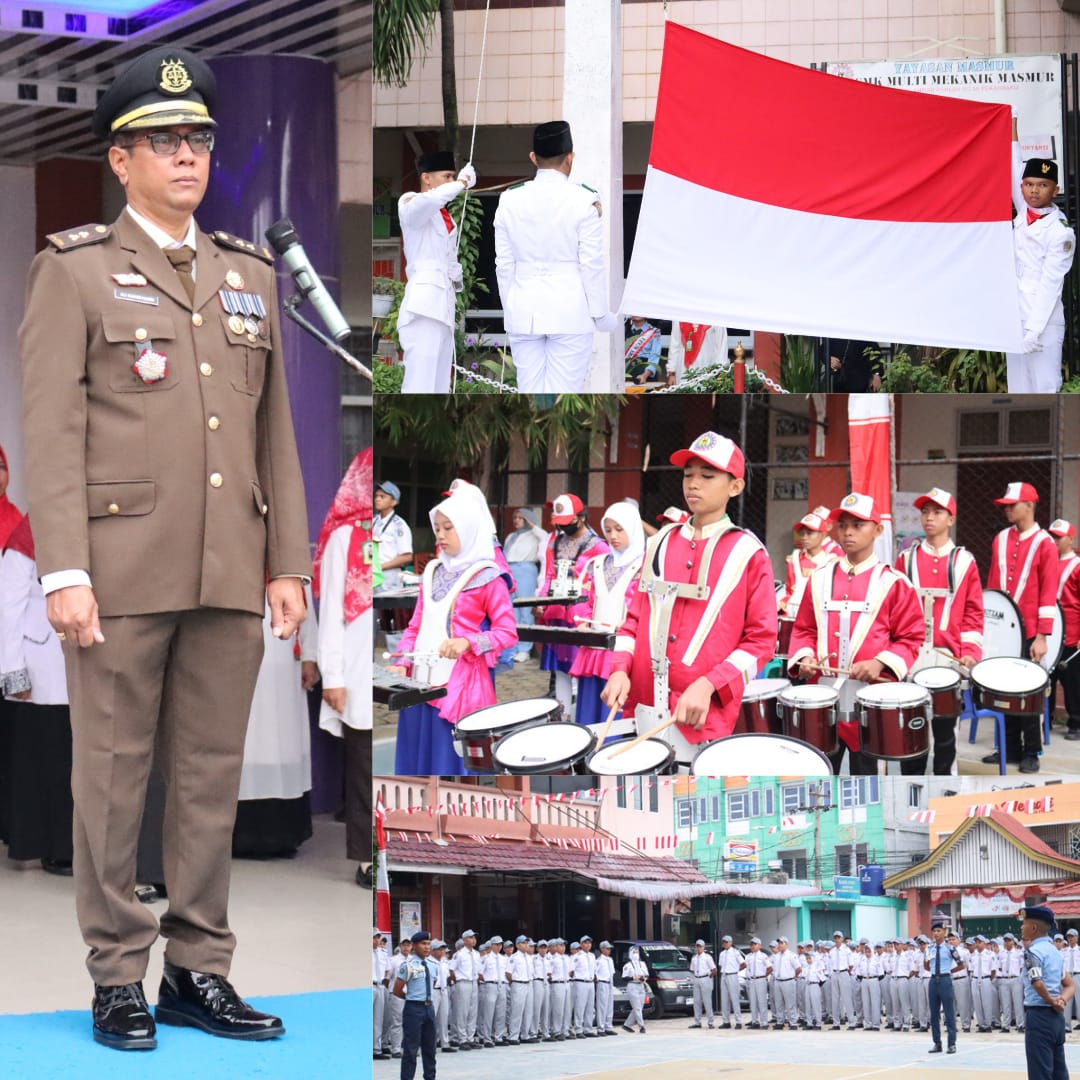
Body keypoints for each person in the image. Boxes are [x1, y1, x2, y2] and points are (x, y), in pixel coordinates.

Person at [18, 46, 310, 1051]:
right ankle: (116, 976)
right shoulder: (75, 269)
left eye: (199, 140)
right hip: (119, 570)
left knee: (207, 779)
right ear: (120, 158)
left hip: (228, 566)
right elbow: (50, 430)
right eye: (164, 141)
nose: (187, 155)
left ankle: (198, 968)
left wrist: (288, 562)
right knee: (110, 775)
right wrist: (65, 568)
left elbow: (275, 429)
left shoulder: (248, 275)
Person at [602, 432, 778, 763]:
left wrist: (710, 684)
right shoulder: (659, 544)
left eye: (707, 476)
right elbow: (634, 620)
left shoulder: (749, 553)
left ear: (735, 487)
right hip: (642, 706)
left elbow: (762, 641)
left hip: (701, 716)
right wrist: (619, 669)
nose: (693, 483)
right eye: (688, 475)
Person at [788, 493, 924, 775]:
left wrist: (880, 664)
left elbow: (911, 638)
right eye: (843, 524)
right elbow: (804, 629)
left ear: (877, 530)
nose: (848, 531)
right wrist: (804, 658)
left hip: (870, 705)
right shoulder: (819, 578)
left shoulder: (894, 583)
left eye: (858, 525)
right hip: (821, 705)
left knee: (866, 783)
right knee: (819, 780)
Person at [388, 489, 517, 774]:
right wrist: (402, 663)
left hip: (460, 686)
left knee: (450, 765)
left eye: (448, 528)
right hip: (420, 679)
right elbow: (415, 625)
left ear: (469, 529)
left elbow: (508, 632)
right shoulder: (433, 571)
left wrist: (468, 642)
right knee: (415, 764)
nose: (440, 535)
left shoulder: (489, 576)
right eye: (437, 528)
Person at [494, 120, 616, 392]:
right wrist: (599, 314)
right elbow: (591, 264)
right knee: (561, 398)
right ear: (570, 157)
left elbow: (503, 265)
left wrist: (510, 307)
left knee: (531, 395)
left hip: (523, 310)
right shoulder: (584, 199)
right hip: (570, 311)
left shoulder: (509, 199)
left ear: (533, 158)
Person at [0, 515, 73, 874]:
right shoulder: (26, 534)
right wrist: (13, 674)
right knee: (47, 760)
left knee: (75, 760)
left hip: (82, 663)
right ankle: (52, 848)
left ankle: (74, 846)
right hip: (40, 666)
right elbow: (7, 607)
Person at [314, 449, 373, 884]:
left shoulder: (391, 539)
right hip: (353, 671)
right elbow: (332, 607)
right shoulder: (345, 538)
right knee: (363, 772)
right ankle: (366, 857)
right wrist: (331, 676)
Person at [896, 487, 984, 775]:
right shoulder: (905, 559)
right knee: (912, 731)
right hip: (911, 655)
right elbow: (894, 610)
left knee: (946, 733)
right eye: (925, 512)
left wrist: (970, 651)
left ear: (951, 519)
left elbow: (973, 611)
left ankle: (945, 789)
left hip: (948, 657)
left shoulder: (964, 560)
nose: (929, 517)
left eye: (937, 512)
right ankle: (912, 792)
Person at [985, 482, 1058, 772]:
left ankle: (1032, 751)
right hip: (1003, 632)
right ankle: (1009, 748)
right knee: (1003, 692)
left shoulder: (1046, 544)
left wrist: (1042, 636)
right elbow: (992, 583)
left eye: (1012, 504)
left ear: (1029, 505)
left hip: (1029, 632)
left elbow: (1048, 592)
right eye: (1005, 504)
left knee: (1028, 694)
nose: (1007, 509)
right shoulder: (1000, 539)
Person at [397, 151, 477, 394]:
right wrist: (461, 183)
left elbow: (447, 257)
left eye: (452, 175)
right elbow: (430, 201)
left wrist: (457, 276)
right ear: (427, 178)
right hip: (423, 307)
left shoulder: (444, 216)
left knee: (440, 384)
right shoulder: (410, 202)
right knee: (420, 383)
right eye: (446, 176)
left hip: (442, 305)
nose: (451, 180)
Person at [1007, 122, 1075, 394]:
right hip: (1015, 318)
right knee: (1018, 391)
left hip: (1043, 323)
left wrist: (1034, 331)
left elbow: (1051, 284)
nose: (1034, 190)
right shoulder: (1023, 211)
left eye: (1042, 185)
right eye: (1029, 184)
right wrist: (1012, 124)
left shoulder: (1061, 233)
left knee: (1045, 389)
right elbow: (1014, 168)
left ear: (1054, 191)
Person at [569, 502, 645, 728]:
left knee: (615, 714)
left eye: (619, 529)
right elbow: (585, 598)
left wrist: (629, 624)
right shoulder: (598, 563)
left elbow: (644, 606)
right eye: (608, 530)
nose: (613, 536)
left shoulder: (645, 565)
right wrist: (581, 620)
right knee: (589, 709)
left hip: (623, 648)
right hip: (594, 646)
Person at [537, 494, 610, 713]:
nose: (562, 527)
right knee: (559, 668)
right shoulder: (557, 542)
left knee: (578, 667)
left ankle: (578, 717)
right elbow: (550, 574)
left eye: (566, 521)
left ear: (580, 518)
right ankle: (562, 714)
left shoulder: (598, 546)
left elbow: (603, 580)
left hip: (581, 615)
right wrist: (541, 600)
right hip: (556, 611)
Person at [1019, 904, 1075, 1080]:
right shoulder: (1055, 952)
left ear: (1033, 928)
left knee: (1040, 1072)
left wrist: (1051, 1000)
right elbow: (1070, 985)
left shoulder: (1032, 952)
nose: (1021, 927)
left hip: (1039, 1015)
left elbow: (1037, 983)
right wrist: (1061, 1001)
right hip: (1056, 1018)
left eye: (1024, 923)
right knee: (1059, 1070)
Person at [502, 507, 546, 663]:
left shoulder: (534, 536)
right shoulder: (511, 536)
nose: (516, 520)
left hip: (526, 570)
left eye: (521, 517)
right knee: (511, 609)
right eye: (515, 517)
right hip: (510, 569)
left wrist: (532, 524)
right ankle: (512, 647)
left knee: (525, 609)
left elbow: (546, 538)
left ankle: (524, 649)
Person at [394, 930, 440, 1080]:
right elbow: (397, 990)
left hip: (429, 1008)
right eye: (423, 944)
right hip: (414, 1009)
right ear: (414, 946)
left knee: (430, 1049)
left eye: (428, 944)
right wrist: (412, 999)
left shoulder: (433, 965)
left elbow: (432, 984)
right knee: (411, 1050)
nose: (427, 947)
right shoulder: (407, 965)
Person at [1049, 520, 1080, 742]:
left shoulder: (1077, 565)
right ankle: (1045, 719)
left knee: (1073, 682)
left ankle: (1076, 722)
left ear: (1071, 539)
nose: (1055, 541)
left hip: (1071, 634)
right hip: (1049, 634)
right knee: (1047, 680)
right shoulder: (1047, 563)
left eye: (1059, 537)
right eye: (1052, 536)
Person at [780, 508, 839, 617]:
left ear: (822, 534)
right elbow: (790, 590)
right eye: (802, 533)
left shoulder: (832, 561)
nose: (804, 537)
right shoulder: (795, 559)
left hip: (818, 614)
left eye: (809, 533)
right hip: (793, 611)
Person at [924, 917, 961, 1054]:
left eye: (939, 931)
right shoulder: (929, 948)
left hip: (945, 980)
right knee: (934, 1014)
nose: (936, 933)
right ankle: (937, 1043)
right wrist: (934, 971)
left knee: (949, 1013)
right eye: (934, 931)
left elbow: (961, 964)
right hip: (933, 980)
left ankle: (952, 1043)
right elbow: (926, 965)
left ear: (944, 932)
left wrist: (949, 972)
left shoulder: (950, 948)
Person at [717, 935, 744, 1029]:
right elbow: (721, 965)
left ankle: (738, 1021)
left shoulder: (735, 952)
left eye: (727, 942)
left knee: (734, 999)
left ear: (731, 942)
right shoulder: (722, 953)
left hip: (732, 975)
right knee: (724, 1000)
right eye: (724, 942)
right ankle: (726, 1021)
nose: (725, 943)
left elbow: (743, 964)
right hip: (724, 975)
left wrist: (736, 970)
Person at [624, 316, 663, 383]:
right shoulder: (623, 330)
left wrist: (645, 375)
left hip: (645, 371)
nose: (637, 313)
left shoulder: (654, 331)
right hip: (627, 370)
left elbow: (654, 356)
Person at [688, 938, 717, 1029]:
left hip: (705, 978)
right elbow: (692, 970)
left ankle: (710, 1022)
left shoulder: (707, 957)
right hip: (697, 978)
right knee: (696, 1001)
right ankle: (697, 1022)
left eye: (700, 946)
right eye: (697, 946)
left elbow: (714, 970)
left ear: (703, 947)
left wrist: (709, 978)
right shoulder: (694, 958)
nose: (699, 948)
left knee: (707, 1001)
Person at [621, 946, 649, 1034]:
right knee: (637, 1008)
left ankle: (627, 1025)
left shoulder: (642, 964)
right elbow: (624, 977)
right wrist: (634, 977)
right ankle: (642, 1026)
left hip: (641, 985)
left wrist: (644, 979)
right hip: (632, 986)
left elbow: (647, 975)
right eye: (634, 952)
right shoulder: (628, 965)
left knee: (640, 1007)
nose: (636, 954)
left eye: (637, 952)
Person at [744, 937, 771, 1029]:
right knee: (753, 1002)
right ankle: (755, 1022)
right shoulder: (748, 956)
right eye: (751, 944)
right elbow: (746, 968)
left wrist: (764, 975)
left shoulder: (763, 956)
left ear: (759, 945)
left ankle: (764, 1022)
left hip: (760, 979)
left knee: (762, 1001)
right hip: (752, 980)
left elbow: (770, 968)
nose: (752, 946)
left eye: (755, 944)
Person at [595, 941, 616, 1035]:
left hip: (609, 983)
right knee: (602, 1006)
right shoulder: (599, 961)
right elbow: (595, 973)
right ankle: (601, 1028)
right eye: (607, 948)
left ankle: (608, 1026)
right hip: (602, 983)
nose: (609, 950)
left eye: (610, 949)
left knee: (609, 1006)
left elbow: (612, 973)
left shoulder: (610, 960)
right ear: (602, 949)